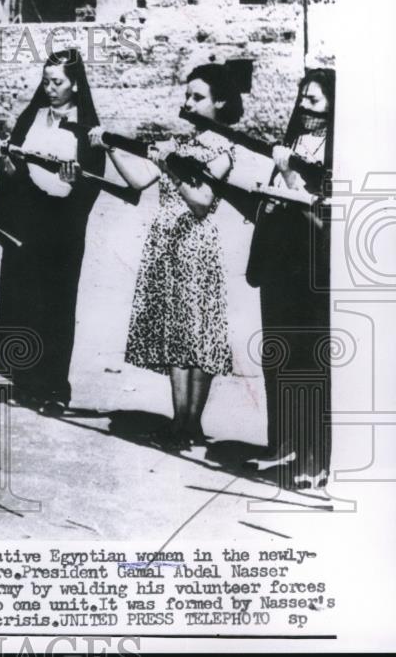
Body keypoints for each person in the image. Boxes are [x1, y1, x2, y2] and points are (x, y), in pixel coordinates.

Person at [88, 63, 239, 452]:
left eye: (198, 97)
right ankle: (179, 422)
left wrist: (169, 166)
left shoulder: (223, 151)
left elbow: (202, 201)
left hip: (195, 246)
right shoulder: (181, 143)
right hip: (167, 245)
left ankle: (192, 423)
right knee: (176, 334)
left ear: (220, 102)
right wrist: (111, 149)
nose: (188, 103)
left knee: (199, 337)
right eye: (187, 96)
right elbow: (138, 180)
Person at [0, 50, 106, 415]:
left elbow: (91, 178)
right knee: (19, 295)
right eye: (46, 80)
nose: (50, 88)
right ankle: (15, 379)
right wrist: (1, 157)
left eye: (58, 82)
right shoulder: (33, 117)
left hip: (62, 226)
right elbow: (15, 171)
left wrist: (77, 180)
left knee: (55, 303)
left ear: (75, 84)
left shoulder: (85, 125)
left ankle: (53, 387)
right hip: (27, 219)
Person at [245, 69, 334, 489]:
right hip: (279, 262)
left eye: (314, 101)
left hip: (312, 269)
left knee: (309, 359)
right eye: (302, 99)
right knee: (276, 354)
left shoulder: (338, 150)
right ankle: (282, 443)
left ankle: (316, 457)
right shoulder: (294, 142)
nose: (304, 107)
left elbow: (324, 217)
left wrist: (291, 182)